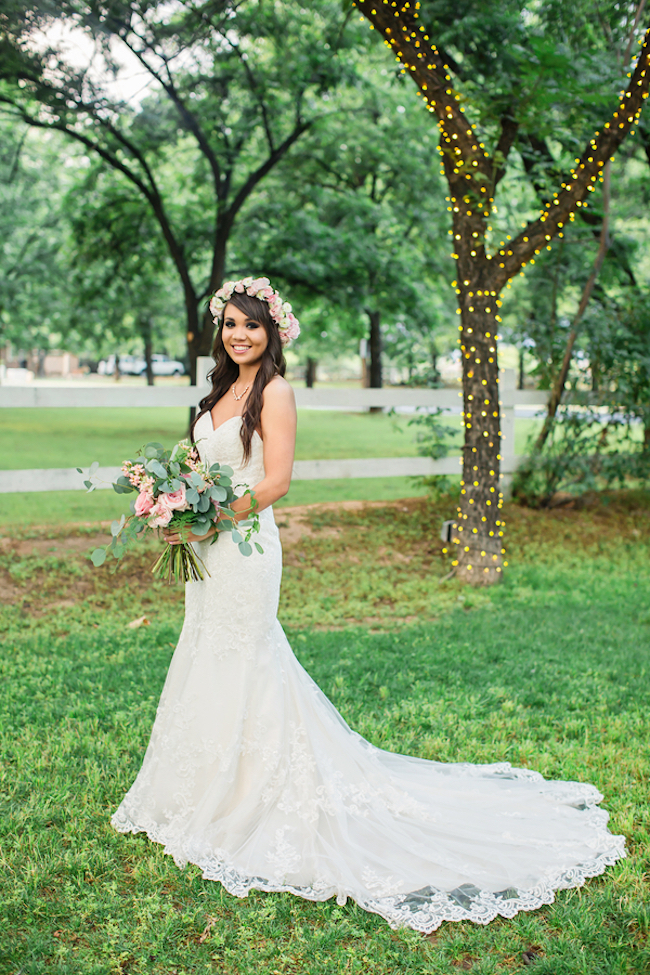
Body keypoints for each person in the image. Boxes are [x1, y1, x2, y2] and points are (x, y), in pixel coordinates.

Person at [112, 275, 625, 934]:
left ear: (273, 334)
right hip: (207, 552)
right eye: (231, 324)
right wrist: (174, 497)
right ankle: (197, 793)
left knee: (247, 660)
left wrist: (210, 521)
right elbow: (200, 465)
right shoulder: (217, 391)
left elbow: (277, 480)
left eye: (253, 325)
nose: (240, 335)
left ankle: (250, 802)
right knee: (205, 654)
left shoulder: (275, 390)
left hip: (242, 547)